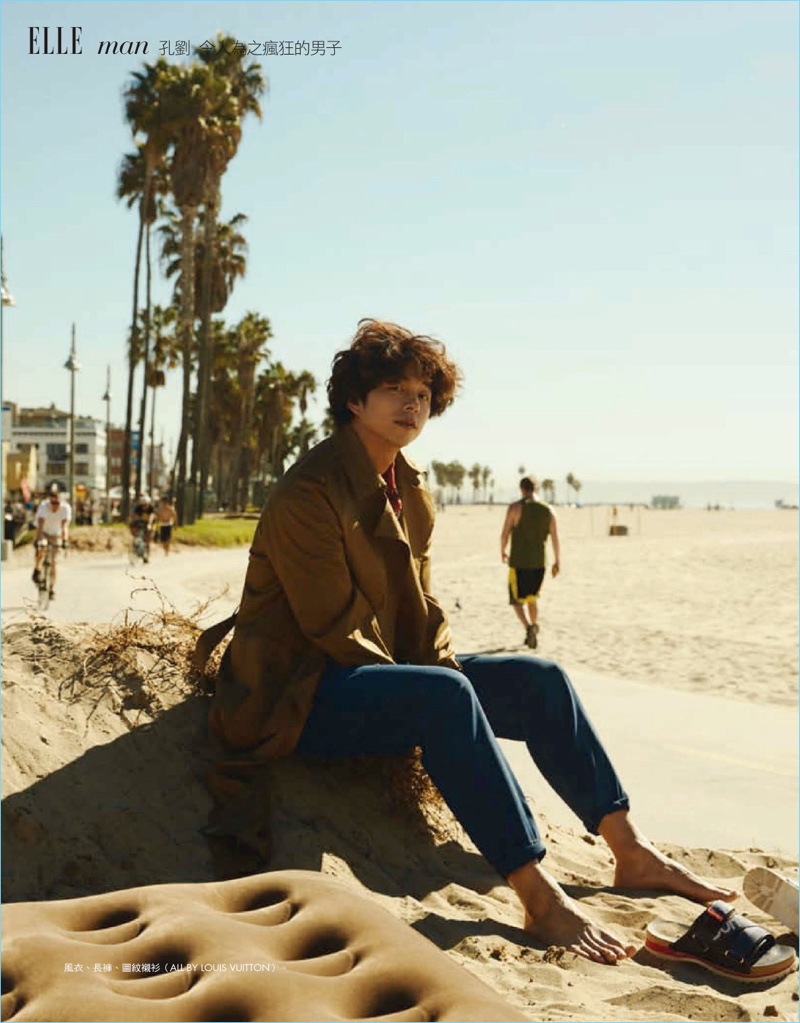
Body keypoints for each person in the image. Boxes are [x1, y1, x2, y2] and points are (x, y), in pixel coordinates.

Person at [198, 319, 734, 965]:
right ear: (353, 400)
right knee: (448, 695)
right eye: (393, 388)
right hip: (295, 694)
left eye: (422, 393)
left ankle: (630, 848)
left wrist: (446, 672)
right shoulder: (309, 491)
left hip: (380, 675)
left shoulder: (412, 484)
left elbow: (421, 607)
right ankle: (539, 897)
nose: (411, 403)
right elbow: (334, 631)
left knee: (540, 678)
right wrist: (442, 692)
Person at [501, 476, 560, 649]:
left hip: (519, 561)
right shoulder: (548, 510)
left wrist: (502, 551)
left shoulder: (515, 508)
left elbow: (505, 533)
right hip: (539, 563)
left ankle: (528, 627)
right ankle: (534, 625)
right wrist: (557, 561)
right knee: (532, 598)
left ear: (521, 489)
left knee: (516, 600)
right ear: (536, 488)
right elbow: (556, 538)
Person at [32, 484, 71, 599]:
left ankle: (52, 588)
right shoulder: (44, 506)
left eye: (57, 503)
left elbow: (65, 527)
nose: (55, 506)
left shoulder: (65, 508)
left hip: (56, 534)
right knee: (42, 548)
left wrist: (65, 541)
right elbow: (40, 524)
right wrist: (38, 539)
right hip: (43, 532)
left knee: (53, 561)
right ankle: (38, 569)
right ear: (49, 501)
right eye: (53, 503)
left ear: (61, 502)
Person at [129, 494, 155, 562]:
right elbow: (133, 516)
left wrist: (149, 524)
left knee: (148, 540)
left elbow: (151, 517)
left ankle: (147, 556)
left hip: (149, 524)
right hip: (141, 523)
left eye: (146, 505)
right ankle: (135, 550)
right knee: (136, 535)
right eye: (143, 505)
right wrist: (132, 524)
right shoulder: (138, 508)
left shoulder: (151, 508)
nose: (144, 506)